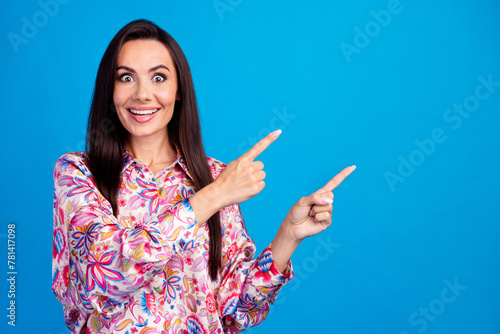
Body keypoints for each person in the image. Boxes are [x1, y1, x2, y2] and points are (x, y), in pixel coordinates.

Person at [51, 19, 355, 334]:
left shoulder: (214, 176)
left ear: (179, 90)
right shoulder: (78, 173)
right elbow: (104, 273)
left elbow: (236, 308)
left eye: (158, 77)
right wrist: (212, 197)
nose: (142, 94)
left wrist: (288, 236)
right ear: (110, 89)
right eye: (126, 77)